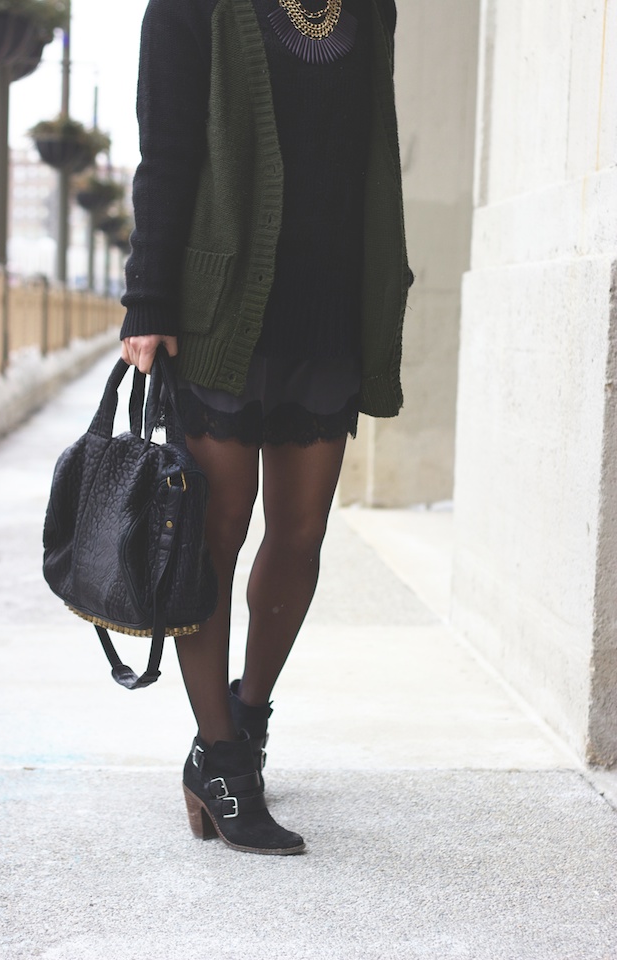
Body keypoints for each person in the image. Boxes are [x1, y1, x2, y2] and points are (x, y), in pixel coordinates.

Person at [120, 0, 413, 856]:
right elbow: (165, 150)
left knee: (301, 534)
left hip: (328, 306)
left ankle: (246, 719)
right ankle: (218, 760)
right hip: (222, 307)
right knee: (214, 531)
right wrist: (148, 296)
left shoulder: (369, 9)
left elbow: (371, 152)